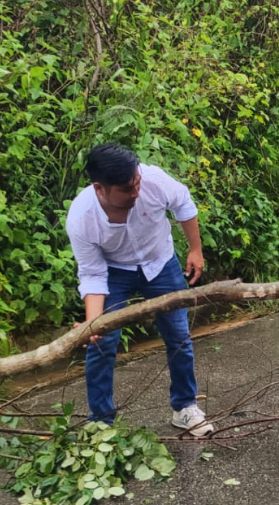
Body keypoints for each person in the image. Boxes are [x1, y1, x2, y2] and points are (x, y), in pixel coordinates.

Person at [66, 143, 213, 436]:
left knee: (179, 337)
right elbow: (93, 274)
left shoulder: (153, 180)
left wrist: (195, 250)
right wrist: (95, 324)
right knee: (101, 343)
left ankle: (185, 408)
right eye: (126, 189)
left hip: (161, 263)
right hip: (114, 273)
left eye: (136, 183)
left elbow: (183, 202)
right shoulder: (81, 219)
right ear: (100, 189)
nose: (135, 192)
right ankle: (101, 424)